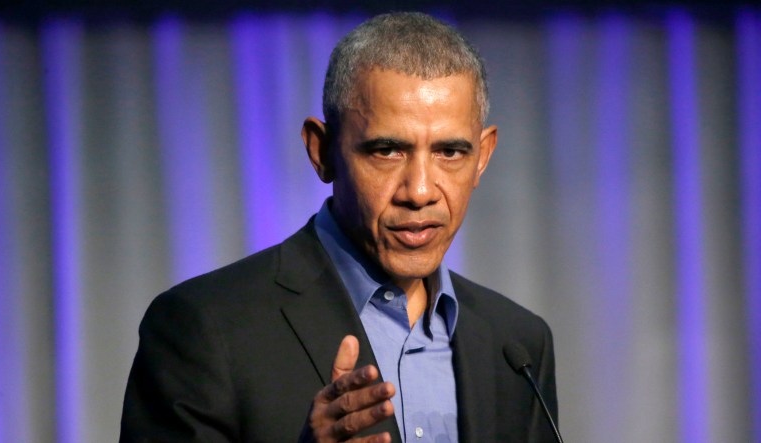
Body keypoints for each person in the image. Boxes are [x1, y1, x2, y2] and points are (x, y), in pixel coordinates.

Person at [121, 12, 557, 443]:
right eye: (387, 150)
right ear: (322, 151)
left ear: (482, 156)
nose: (420, 190)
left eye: (450, 152)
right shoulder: (204, 328)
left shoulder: (516, 344)